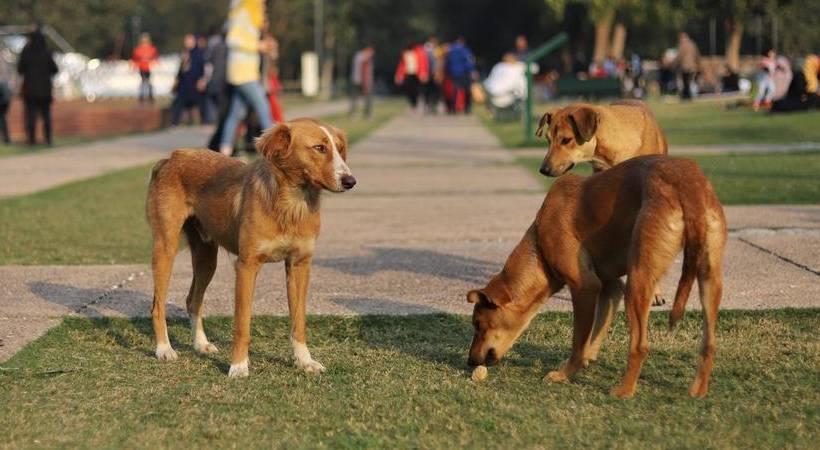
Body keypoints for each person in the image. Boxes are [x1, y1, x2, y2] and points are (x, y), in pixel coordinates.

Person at [219, 0, 274, 156]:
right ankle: (273, 150)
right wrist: (258, 46)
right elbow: (232, 40)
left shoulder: (248, 18)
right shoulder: (242, 15)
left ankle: (224, 151)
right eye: (262, 4)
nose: (264, 7)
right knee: (263, 108)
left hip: (246, 73)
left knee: (235, 115)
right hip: (242, 73)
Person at [17, 27, 58, 146]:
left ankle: (32, 139)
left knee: (31, 115)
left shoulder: (27, 52)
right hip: (45, 90)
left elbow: (20, 69)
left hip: (30, 90)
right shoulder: (47, 52)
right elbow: (54, 69)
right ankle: (48, 139)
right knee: (46, 115)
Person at [170, 34, 206, 125]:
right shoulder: (185, 53)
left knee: (199, 103)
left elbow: (202, 68)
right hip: (184, 83)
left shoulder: (199, 54)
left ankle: (204, 120)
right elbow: (181, 70)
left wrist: (202, 79)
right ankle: (174, 121)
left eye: (189, 41)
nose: (187, 43)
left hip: (195, 81)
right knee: (179, 101)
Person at [445, 36, 476, 114]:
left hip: (454, 73)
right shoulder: (465, 50)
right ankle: (467, 108)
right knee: (467, 90)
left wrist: (448, 72)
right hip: (464, 73)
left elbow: (447, 62)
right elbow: (469, 61)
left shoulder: (451, 50)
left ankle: (453, 108)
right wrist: (472, 70)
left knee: (455, 90)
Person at [394, 42, 429, 113]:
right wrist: (398, 76)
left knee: (417, 90)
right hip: (407, 74)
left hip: (417, 74)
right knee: (408, 90)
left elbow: (423, 64)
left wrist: (424, 74)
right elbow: (401, 65)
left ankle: (417, 104)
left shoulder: (419, 53)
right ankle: (413, 104)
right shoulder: (405, 54)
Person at [131, 33, 158, 103]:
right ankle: (142, 96)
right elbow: (134, 59)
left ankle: (150, 95)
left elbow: (155, 57)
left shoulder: (152, 49)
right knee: (143, 81)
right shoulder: (138, 50)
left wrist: (155, 63)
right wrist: (134, 66)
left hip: (149, 68)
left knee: (149, 81)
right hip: (142, 68)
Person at [350, 44, 375, 118]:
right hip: (363, 81)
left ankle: (353, 113)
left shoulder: (358, 56)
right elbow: (363, 71)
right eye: (371, 53)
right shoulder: (364, 58)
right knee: (368, 98)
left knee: (355, 98)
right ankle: (368, 114)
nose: (371, 55)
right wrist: (365, 84)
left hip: (356, 80)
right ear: (368, 51)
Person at [675, 32, 700, 100]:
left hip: (685, 66)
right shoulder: (692, 44)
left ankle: (687, 95)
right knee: (690, 81)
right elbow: (697, 54)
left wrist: (674, 63)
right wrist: (698, 64)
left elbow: (679, 56)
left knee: (685, 82)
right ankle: (690, 95)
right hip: (693, 66)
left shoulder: (682, 45)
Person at [423, 36, 441, 113]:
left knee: (435, 90)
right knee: (429, 89)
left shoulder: (437, 50)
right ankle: (429, 104)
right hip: (429, 73)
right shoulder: (428, 50)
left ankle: (433, 104)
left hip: (435, 73)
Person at [0, 78, 10, 144]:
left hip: (3, 102)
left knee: (2, 119)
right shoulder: (3, 83)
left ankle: (6, 139)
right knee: (2, 119)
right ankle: (6, 139)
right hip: (5, 102)